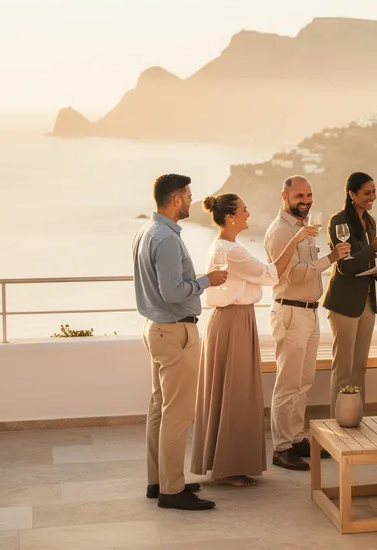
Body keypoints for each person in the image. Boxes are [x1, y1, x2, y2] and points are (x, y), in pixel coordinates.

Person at [133, 174, 226, 511]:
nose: (191, 200)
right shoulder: (168, 239)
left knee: (160, 408)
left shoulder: (146, 231)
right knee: (178, 413)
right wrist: (207, 280)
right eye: (187, 195)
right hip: (175, 332)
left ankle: (160, 481)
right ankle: (172, 491)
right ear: (175, 199)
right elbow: (173, 292)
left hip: (155, 328)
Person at [191, 194, 296, 486]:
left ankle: (228, 463)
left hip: (235, 319)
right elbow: (270, 275)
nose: (249, 214)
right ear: (230, 218)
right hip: (233, 321)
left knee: (232, 392)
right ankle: (228, 467)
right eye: (244, 210)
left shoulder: (229, 247)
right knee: (235, 392)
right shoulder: (231, 250)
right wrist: (296, 240)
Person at [266, 176, 350, 472]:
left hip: (309, 312)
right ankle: (281, 447)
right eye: (299, 195)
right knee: (287, 383)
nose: (306, 199)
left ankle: (296, 437)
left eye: (309, 194)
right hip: (290, 312)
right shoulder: (280, 232)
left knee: (303, 382)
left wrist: (332, 256)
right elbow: (294, 275)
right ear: (284, 196)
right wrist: (330, 259)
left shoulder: (305, 229)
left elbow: (309, 269)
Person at [323, 172, 377, 416]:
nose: (372, 197)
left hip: (367, 302)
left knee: (360, 367)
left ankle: (355, 419)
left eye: (374, 192)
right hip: (344, 302)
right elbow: (346, 266)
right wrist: (373, 248)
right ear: (351, 194)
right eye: (367, 193)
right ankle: (336, 426)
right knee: (343, 369)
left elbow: (367, 261)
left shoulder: (370, 222)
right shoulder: (338, 221)